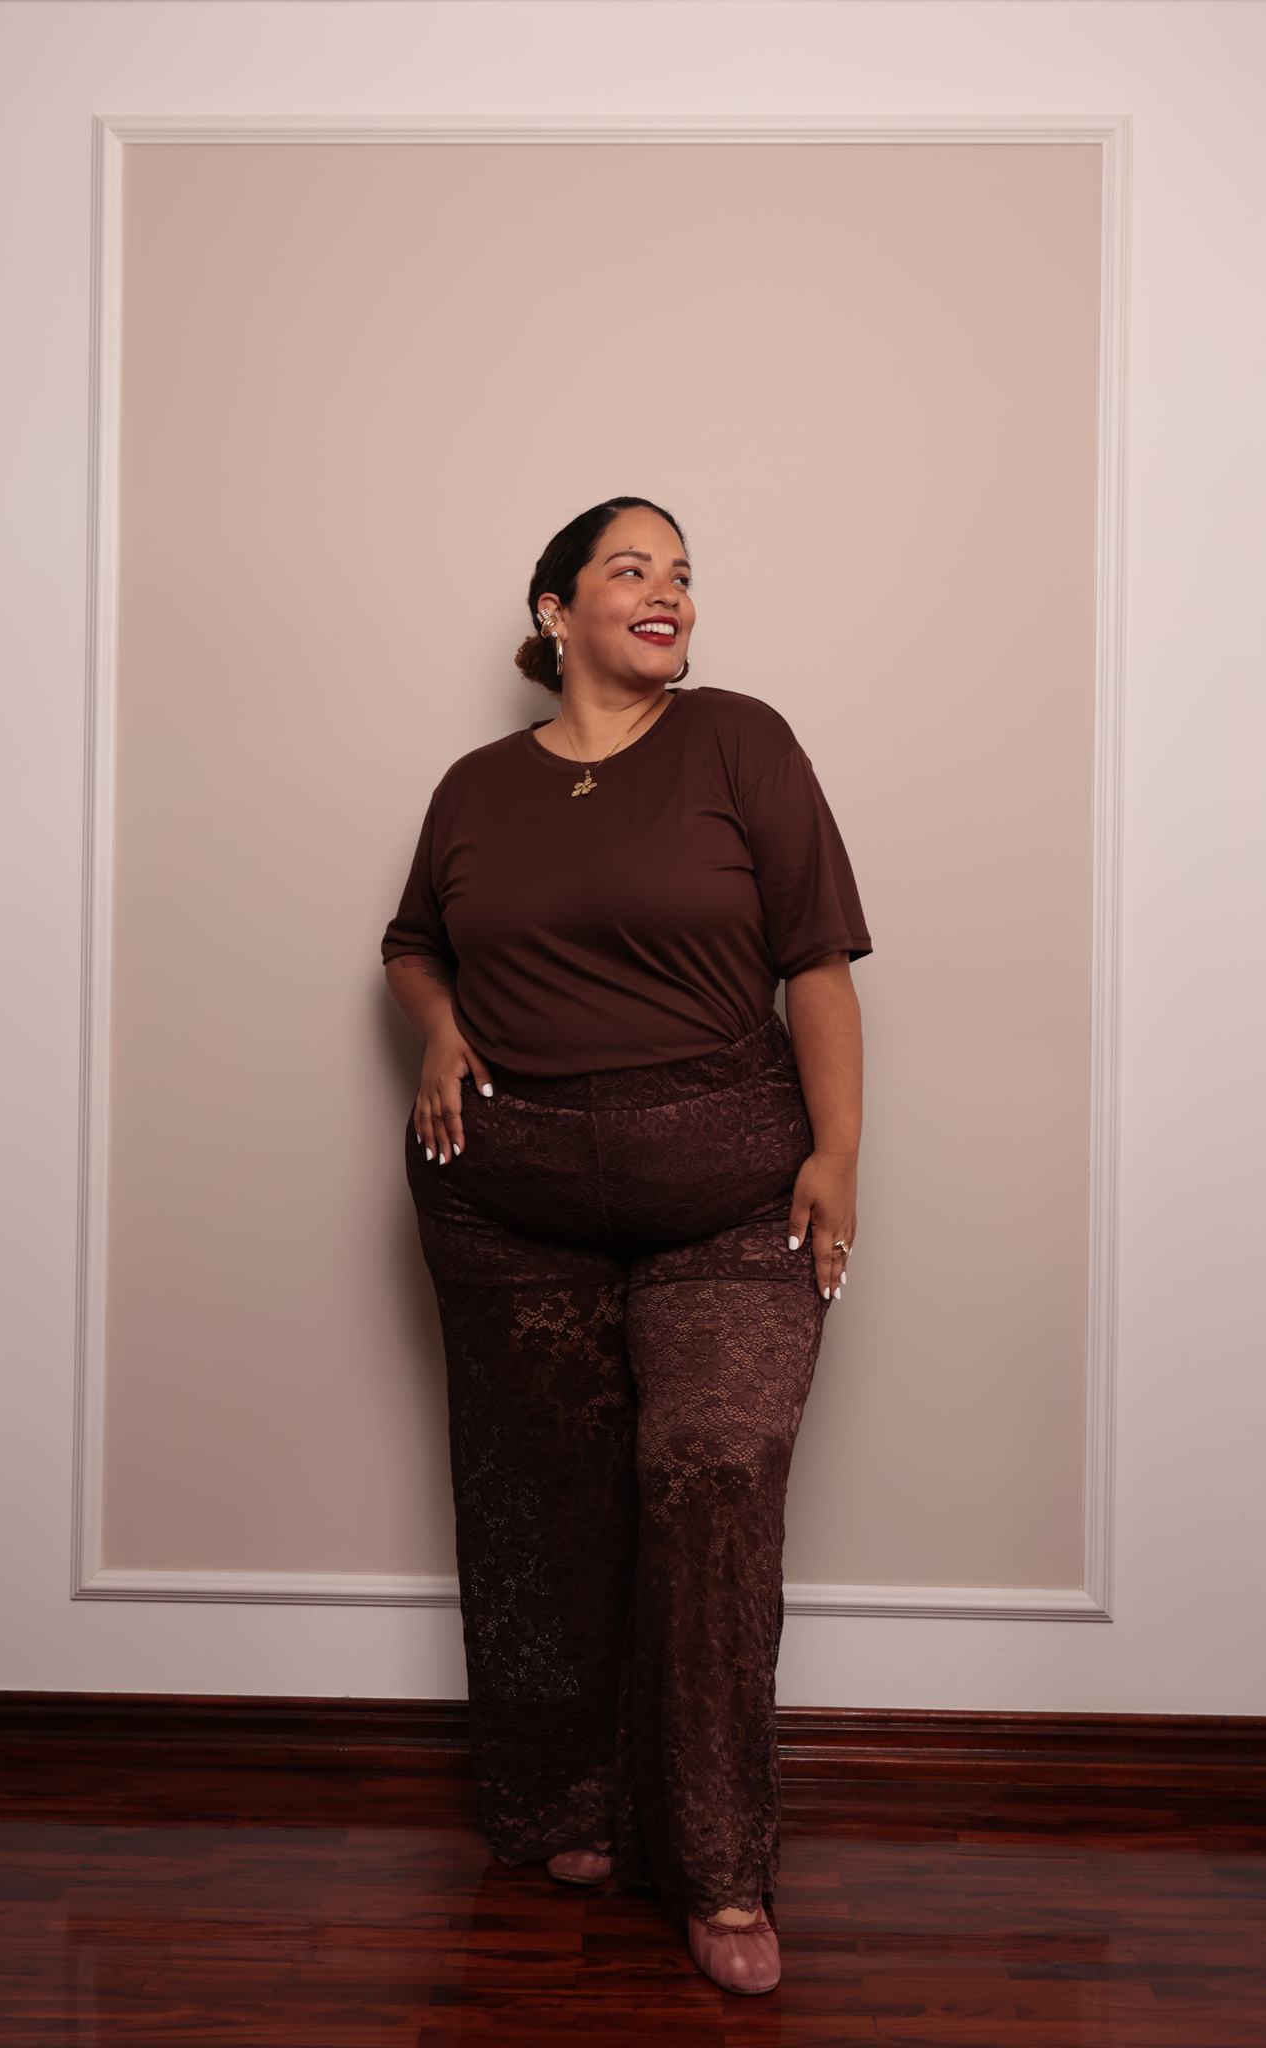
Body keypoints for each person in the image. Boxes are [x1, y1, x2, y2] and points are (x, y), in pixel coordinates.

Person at [382, 496, 870, 1995]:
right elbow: (411, 943)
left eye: (684, 576)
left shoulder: (740, 742)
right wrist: (440, 1028)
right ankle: (567, 1805)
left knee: (712, 1486)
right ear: (556, 610)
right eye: (632, 569)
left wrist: (839, 1153)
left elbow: (817, 962)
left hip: (728, 1194)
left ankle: (719, 1866)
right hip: (503, 1198)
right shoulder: (475, 787)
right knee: (543, 1505)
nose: (671, 594)